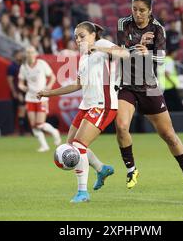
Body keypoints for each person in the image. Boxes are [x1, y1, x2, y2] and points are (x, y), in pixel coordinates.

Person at [115, 0, 183, 199]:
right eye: (134, 9)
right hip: (127, 85)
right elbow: (121, 49)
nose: (137, 13)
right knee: (120, 126)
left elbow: (161, 59)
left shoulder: (158, 28)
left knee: (169, 135)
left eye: (142, 10)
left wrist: (148, 53)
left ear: (150, 11)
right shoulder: (123, 23)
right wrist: (136, 48)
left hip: (150, 86)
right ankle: (131, 170)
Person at [37, 21, 129, 203]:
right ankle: (101, 168)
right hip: (87, 105)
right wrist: (50, 92)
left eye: (82, 36)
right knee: (71, 144)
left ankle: (82, 193)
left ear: (93, 35)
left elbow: (125, 53)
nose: (78, 40)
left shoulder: (102, 44)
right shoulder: (84, 57)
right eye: (76, 37)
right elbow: (78, 85)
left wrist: (100, 49)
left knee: (78, 147)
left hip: (103, 105)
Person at [18, 46, 61, 152]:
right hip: (30, 98)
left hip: (41, 98)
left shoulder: (41, 64)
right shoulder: (23, 67)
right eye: (28, 52)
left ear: (35, 54)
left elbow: (52, 77)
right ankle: (44, 145)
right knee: (33, 125)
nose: (30, 54)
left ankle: (55, 132)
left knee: (40, 124)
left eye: (32, 52)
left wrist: (49, 86)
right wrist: (23, 87)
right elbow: (20, 83)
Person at [7, 49, 27, 135]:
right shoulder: (12, 66)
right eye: (19, 54)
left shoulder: (23, 65)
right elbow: (10, 80)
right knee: (19, 109)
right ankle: (19, 130)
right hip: (18, 91)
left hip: (24, 91)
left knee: (25, 109)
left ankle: (24, 130)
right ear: (15, 56)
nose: (21, 56)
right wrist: (14, 92)